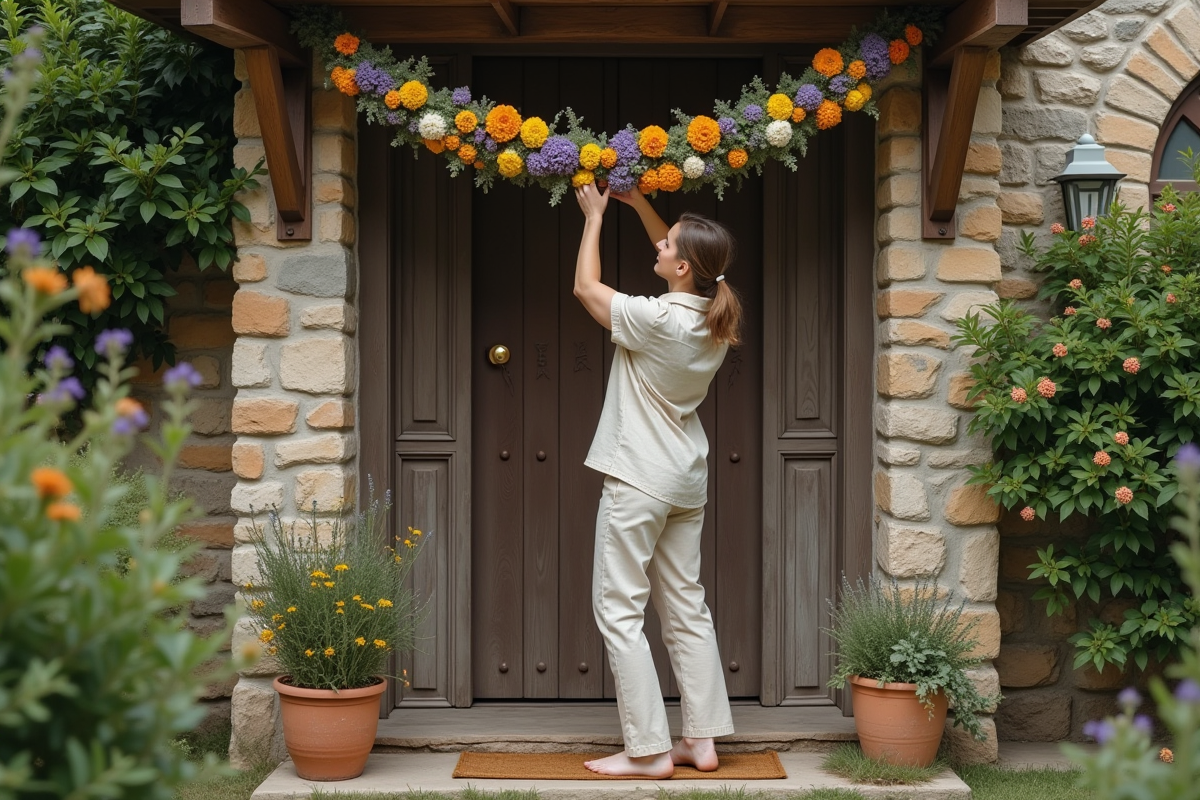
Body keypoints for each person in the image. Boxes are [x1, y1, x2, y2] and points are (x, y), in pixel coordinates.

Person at [572, 182, 743, 778]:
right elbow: (670, 244)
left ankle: (646, 751)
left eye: (666, 243)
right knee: (685, 607)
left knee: (620, 610)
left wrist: (594, 218)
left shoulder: (658, 319)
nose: (659, 243)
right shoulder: (711, 318)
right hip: (684, 482)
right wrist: (638, 203)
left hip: (640, 477)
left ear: (682, 266)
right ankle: (701, 741)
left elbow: (585, 289)